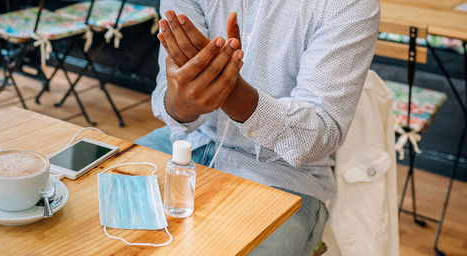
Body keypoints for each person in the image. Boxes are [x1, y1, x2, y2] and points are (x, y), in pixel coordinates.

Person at [135, 0, 380, 255]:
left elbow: (320, 133)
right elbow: (169, 87)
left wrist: (231, 93)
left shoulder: (350, 4)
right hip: (185, 145)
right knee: (96, 202)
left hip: (286, 176)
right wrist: (180, 101)